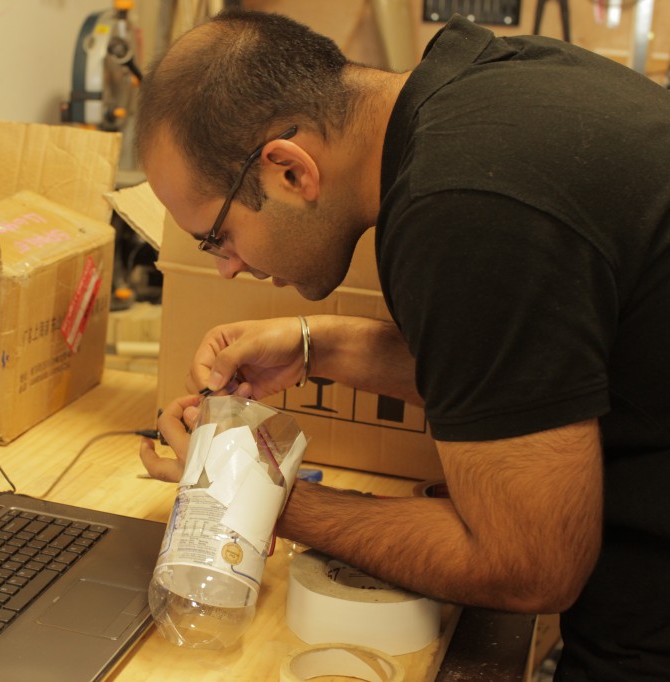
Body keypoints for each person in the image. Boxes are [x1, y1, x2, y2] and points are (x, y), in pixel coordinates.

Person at [133, 9, 670, 681]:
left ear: (290, 172)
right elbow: (525, 373)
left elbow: (530, 567)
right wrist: (316, 346)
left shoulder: (464, 207)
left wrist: (250, 496)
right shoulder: (478, 85)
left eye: (217, 236)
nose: (226, 269)